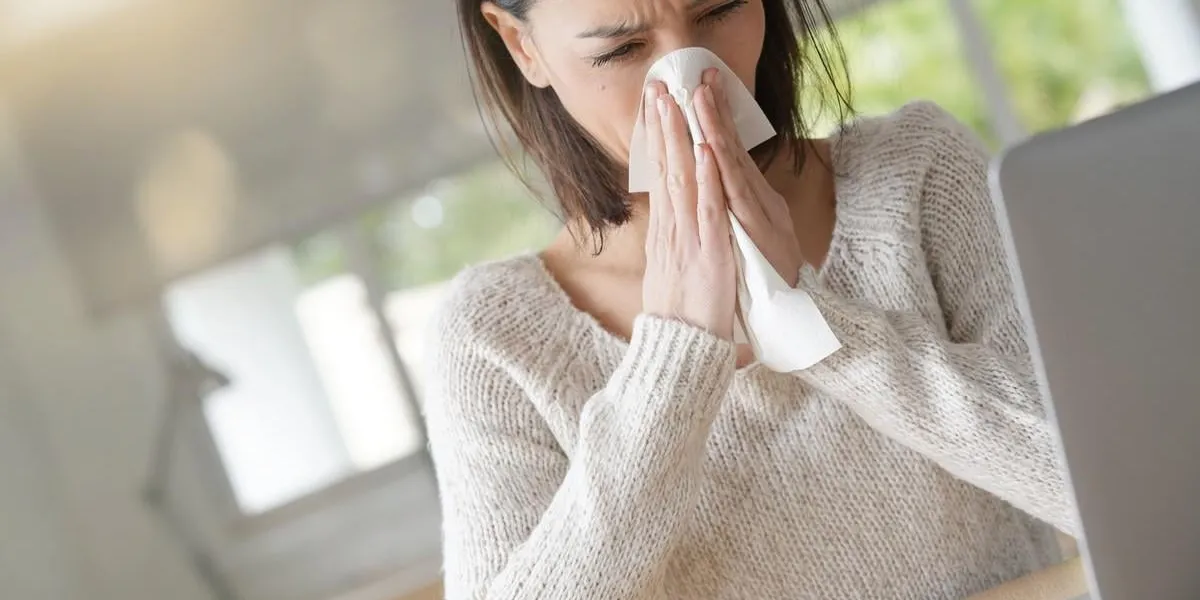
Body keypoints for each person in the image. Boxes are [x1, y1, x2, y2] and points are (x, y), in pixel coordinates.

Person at [423, 0, 1077, 598]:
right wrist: (675, 359)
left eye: (721, 9)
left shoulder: (915, 173)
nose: (690, 77)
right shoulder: (493, 338)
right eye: (620, 50)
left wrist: (813, 321)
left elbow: (1117, 486)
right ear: (521, 45)